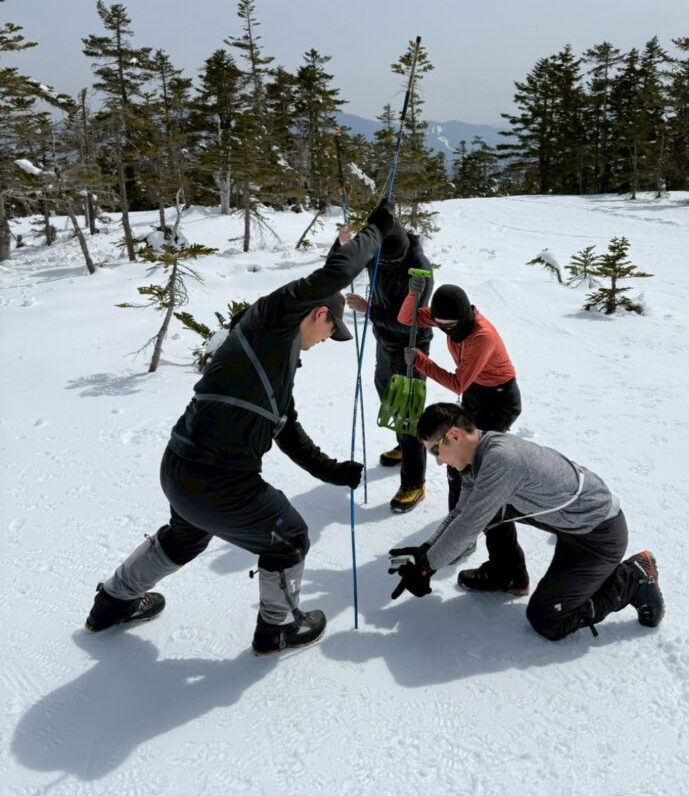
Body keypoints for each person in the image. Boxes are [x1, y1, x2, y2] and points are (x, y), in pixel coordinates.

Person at [84, 200, 396, 657]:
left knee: (184, 537)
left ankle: (111, 603)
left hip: (181, 471)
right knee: (289, 537)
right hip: (218, 479)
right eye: (333, 332)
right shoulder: (271, 319)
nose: (329, 340)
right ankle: (279, 629)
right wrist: (377, 230)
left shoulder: (277, 361)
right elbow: (334, 276)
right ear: (320, 315)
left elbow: (287, 430)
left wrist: (332, 472)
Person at [388, 403, 665, 641]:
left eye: (436, 451)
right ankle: (508, 573)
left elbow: (468, 526)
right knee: (487, 508)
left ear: (455, 436)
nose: (437, 462)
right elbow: (462, 513)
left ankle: (633, 578)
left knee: (547, 619)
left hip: (598, 536)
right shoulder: (477, 458)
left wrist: (426, 566)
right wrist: (427, 550)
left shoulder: (501, 460)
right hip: (570, 527)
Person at [398, 278, 521, 571]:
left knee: (472, 469)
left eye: (450, 325)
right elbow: (406, 318)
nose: (446, 329)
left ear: (464, 316)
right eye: (440, 325)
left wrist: (421, 363)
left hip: (499, 400)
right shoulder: (447, 319)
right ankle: (459, 525)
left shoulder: (482, 337)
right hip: (476, 394)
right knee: (457, 467)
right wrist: (412, 294)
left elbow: (457, 382)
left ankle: (467, 535)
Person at [339, 218, 433, 513]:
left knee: (408, 414)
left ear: (400, 255)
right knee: (386, 392)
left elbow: (408, 323)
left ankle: (414, 483)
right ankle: (405, 447)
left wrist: (370, 310)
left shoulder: (419, 273)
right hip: (385, 341)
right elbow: (354, 257)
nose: (382, 264)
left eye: (389, 261)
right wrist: (345, 243)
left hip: (409, 346)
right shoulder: (380, 247)